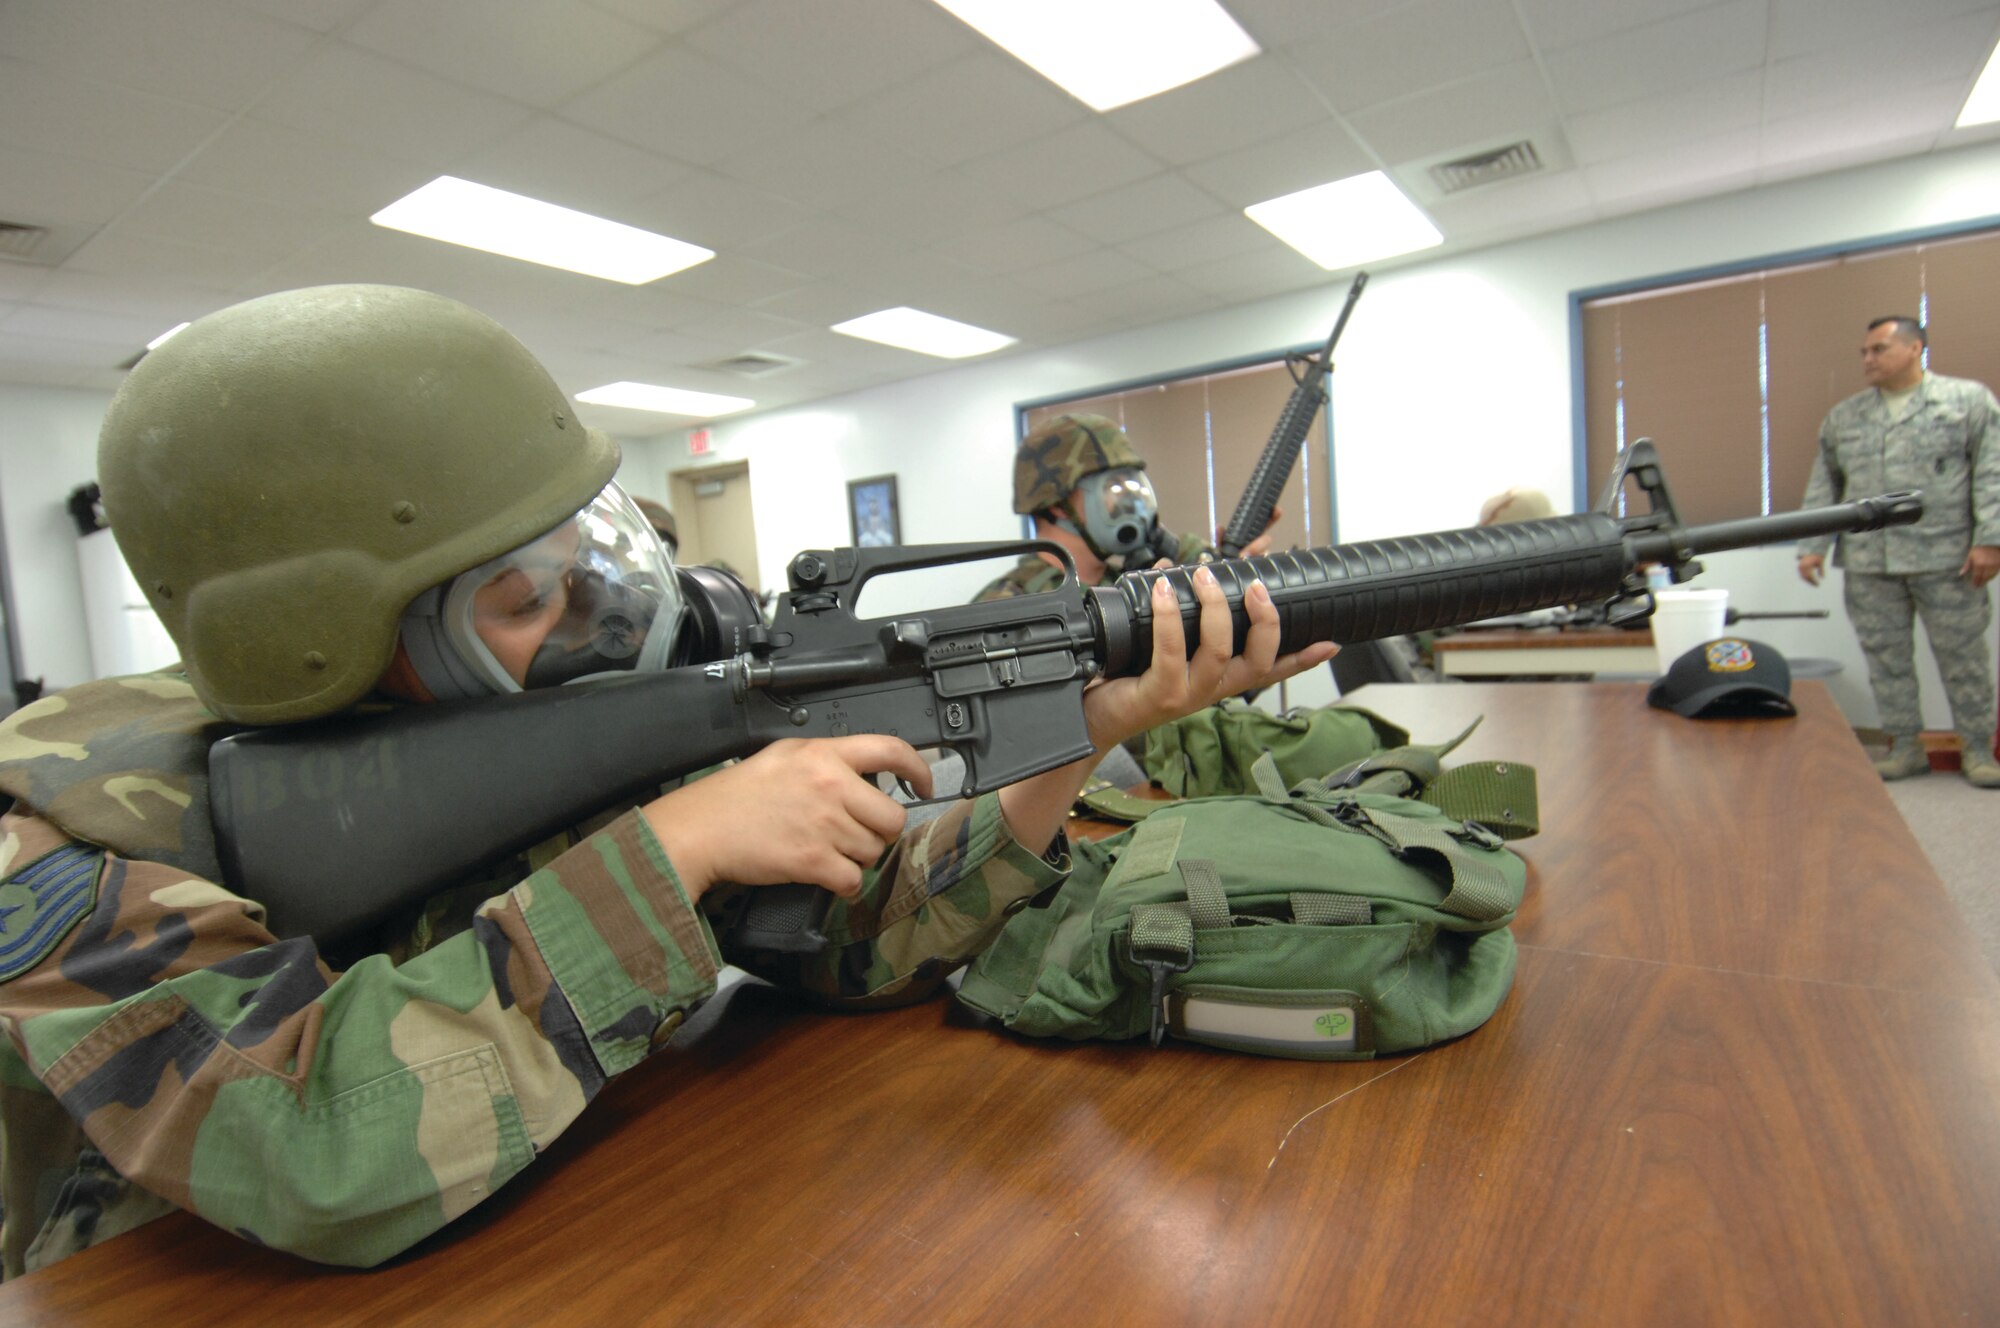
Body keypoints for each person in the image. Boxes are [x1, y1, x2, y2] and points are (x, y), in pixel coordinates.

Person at [0, 286, 1334, 1276]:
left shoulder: (534, 719)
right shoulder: (65, 839)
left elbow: (862, 950)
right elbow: (305, 1149)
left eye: (591, 554)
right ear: (327, 643)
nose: (597, 616)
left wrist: (1085, 726)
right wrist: (677, 849)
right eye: (523, 596)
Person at [1797, 316, 2000, 787]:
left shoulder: (1966, 402)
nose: (1868, 359)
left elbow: (1993, 473)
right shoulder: (1844, 417)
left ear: (1915, 348)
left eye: (1879, 349)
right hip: (1870, 561)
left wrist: (1991, 539)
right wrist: (1812, 547)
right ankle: (1905, 747)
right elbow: (1824, 484)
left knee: (1963, 659)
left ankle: (1978, 751)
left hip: (1947, 557)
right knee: (1886, 661)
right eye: (1864, 352)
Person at [974, 412, 1276, 602]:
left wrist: (1242, 585)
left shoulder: (1126, 585)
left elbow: (1231, 681)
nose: (1131, 502)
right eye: (1113, 488)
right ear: (1057, 506)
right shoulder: (1009, 606)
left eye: (1133, 484)